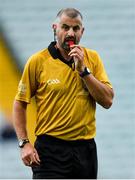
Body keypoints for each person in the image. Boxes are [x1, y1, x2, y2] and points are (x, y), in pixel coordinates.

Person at [13, 8, 114, 179]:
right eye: (65, 27)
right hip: (50, 150)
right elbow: (19, 103)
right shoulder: (38, 61)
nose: (70, 33)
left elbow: (107, 101)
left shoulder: (92, 58)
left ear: (82, 31)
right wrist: (24, 143)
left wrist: (84, 72)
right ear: (55, 28)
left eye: (76, 29)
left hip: (85, 151)